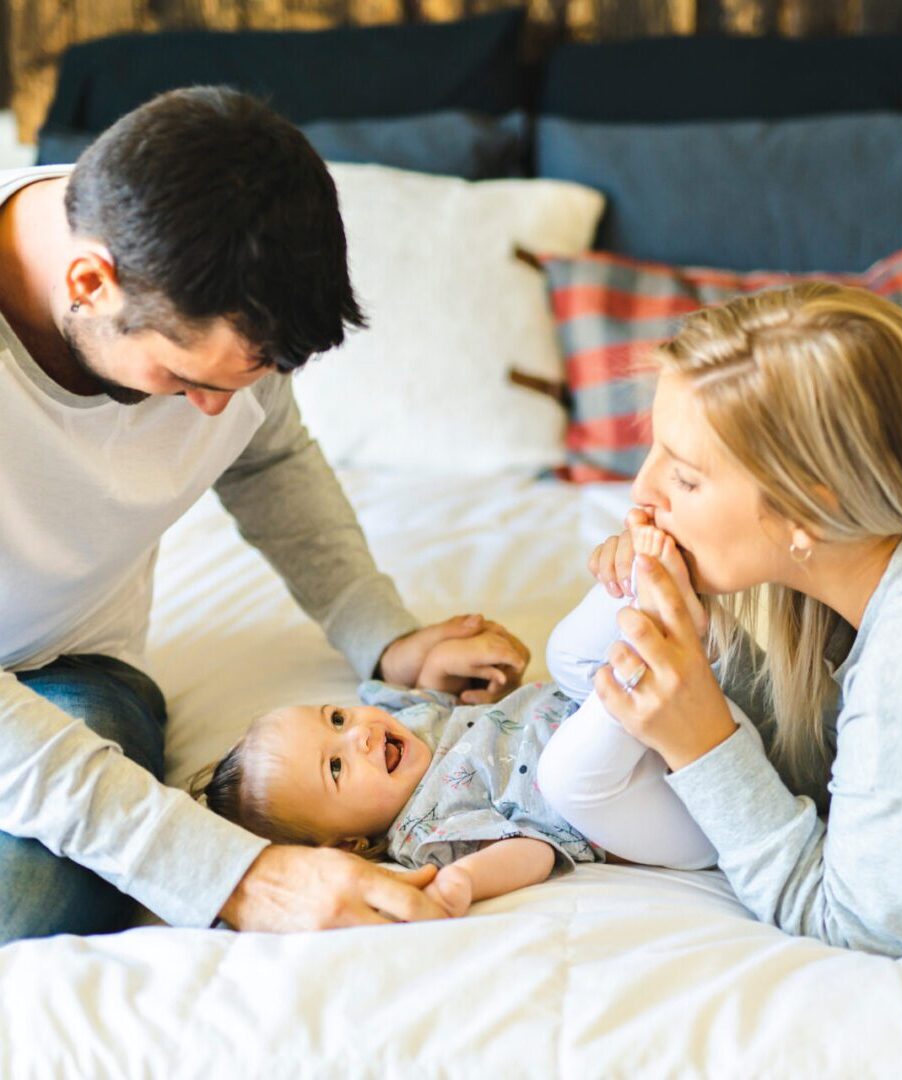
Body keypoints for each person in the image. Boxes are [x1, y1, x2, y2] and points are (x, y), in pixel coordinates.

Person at [0, 86, 531, 946]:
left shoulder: (223, 284)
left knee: (26, 900)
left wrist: (383, 634)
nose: (210, 413)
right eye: (189, 381)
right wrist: (238, 875)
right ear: (89, 282)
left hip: (72, 667)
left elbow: (266, 453)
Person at [577, 281, 902, 957]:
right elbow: (845, 743)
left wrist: (704, 745)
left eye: (688, 479)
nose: (641, 492)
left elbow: (867, 925)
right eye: (656, 450)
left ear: (808, 513)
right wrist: (710, 654)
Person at [192, 524, 756, 916]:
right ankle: (651, 662)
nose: (358, 735)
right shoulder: (425, 836)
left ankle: (654, 582)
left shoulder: (405, 721)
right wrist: (465, 882)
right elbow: (534, 851)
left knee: (562, 654)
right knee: (567, 779)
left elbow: (438, 697)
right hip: (678, 806)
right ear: (351, 844)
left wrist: (446, 669)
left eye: (335, 718)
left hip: (662, 729)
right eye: (335, 766)